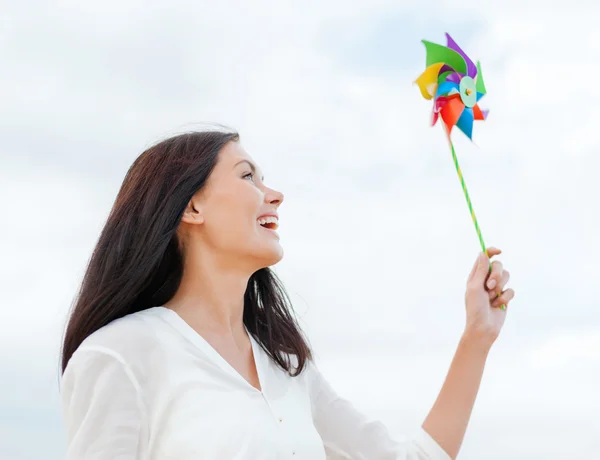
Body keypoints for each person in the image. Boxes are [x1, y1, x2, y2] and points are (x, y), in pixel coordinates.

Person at [60, 128, 515, 460]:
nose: (274, 195)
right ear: (192, 206)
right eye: (247, 177)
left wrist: (478, 337)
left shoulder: (289, 370)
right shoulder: (120, 354)